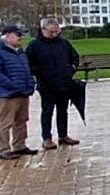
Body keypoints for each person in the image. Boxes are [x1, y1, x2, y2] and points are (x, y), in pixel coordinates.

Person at [25, 18, 81, 150]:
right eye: (51, 32)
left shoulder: (63, 43)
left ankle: (63, 135)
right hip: (46, 86)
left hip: (64, 83)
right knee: (47, 111)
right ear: (43, 30)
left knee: (63, 111)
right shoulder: (34, 45)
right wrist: (41, 73)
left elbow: (75, 57)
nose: (54, 34)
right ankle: (47, 138)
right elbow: (29, 64)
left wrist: (71, 69)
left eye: (56, 31)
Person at [0, 25, 36, 160]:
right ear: (7, 36)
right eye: (17, 35)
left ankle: (20, 145)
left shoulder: (20, 51)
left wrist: (30, 84)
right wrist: (11, 85)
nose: (21, 37)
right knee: (5, 122)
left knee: (21, 120)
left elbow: (26, 69)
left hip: (23, 92)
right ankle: (4, 149)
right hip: (7, 94)